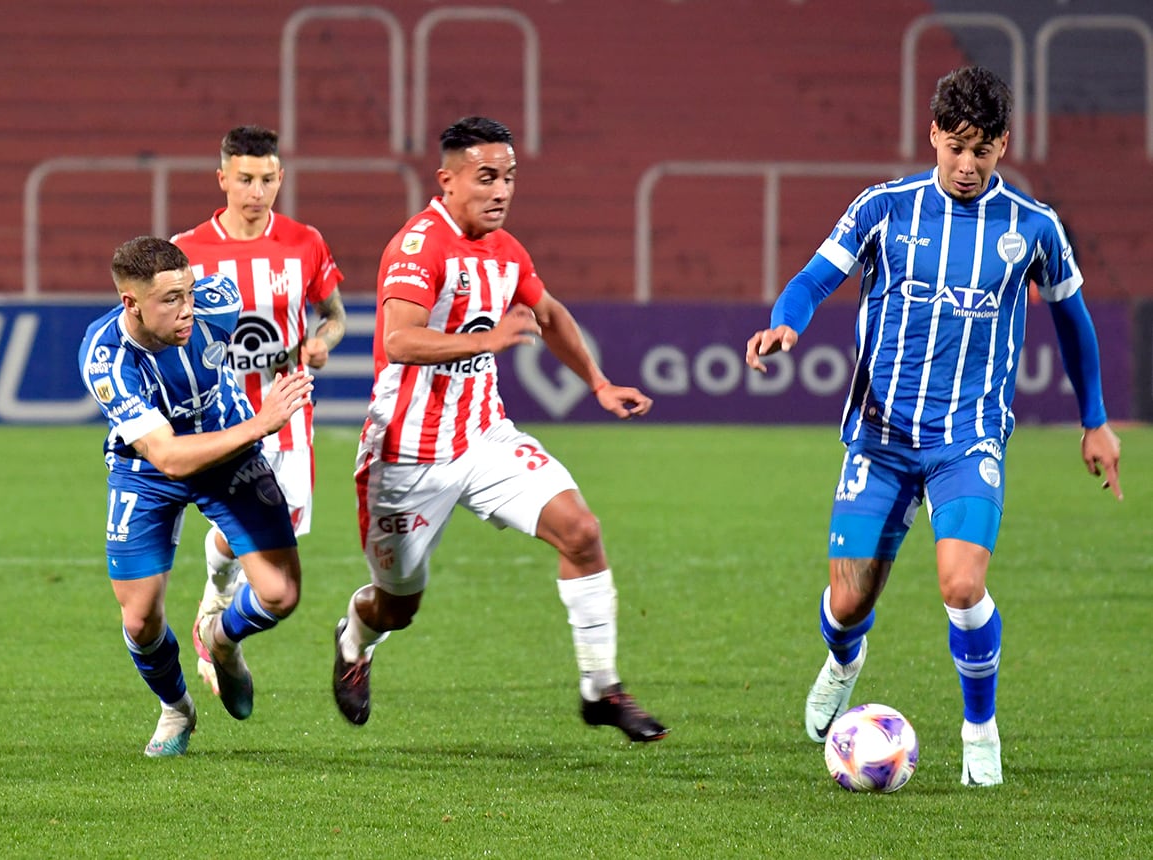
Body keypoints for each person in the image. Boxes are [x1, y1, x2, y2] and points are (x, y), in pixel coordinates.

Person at [744, 66, 1123, 786]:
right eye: (955, 147)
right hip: (881, 437)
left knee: (959, 585)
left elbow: (1074, 323)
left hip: (968, 439)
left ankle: (979, 727)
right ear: (933, 137)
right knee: (850, 599)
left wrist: (1094, 421)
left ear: (1004, 143)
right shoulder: (884, 209)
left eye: (981, 149)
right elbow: (812, 280)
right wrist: (784, 326)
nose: (967, 165)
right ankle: (844, 659)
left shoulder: (1033, 227)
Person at [329, 116, 667, 743]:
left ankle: (601, 688)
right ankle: (354, 636)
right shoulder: (418, 246)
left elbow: (550, 314)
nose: (502, 191)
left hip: (484, 436)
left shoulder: (505, 249)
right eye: (487, 177)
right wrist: (484, 340)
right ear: (448, 180)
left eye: (509, 177)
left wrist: (597, 382)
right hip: (406, 453)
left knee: (582, 531)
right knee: (398, 604)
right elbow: (398, 339)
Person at [79, 236, 314, 756]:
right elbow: (166, 456)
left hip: (228, 455)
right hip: (148, 470)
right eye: (170, 300)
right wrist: (261, 422)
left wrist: (300, 354)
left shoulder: (219, 300)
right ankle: (176, 709)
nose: (188, 308)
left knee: (282, 594)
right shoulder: (106, 359)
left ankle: (221, 638)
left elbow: (267, 342)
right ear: (131, 304)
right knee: (140, 620)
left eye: (189, 292)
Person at [170, 125, 347, 698]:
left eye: (267, 178)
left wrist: (325, 340)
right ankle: (219, 608)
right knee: (243, 528)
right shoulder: (188, 250)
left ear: (280, 179)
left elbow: (335, 314)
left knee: (281, 530)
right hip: (221, 411)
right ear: (222, 179)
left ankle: (215, 607)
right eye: (245, 178)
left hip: (289, 408)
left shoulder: (305, 242)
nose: (256, 190)